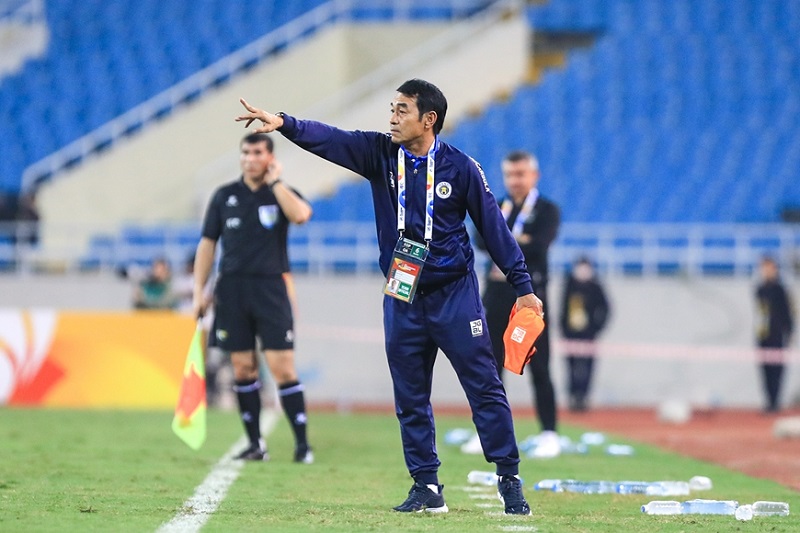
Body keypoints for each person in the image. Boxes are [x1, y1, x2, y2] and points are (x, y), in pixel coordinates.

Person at [235, 79, 542, 515]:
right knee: (410, 396)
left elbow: (495, 230)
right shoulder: (379, 153)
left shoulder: (461, 168)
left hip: (454, 294)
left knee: (485, 388)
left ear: (428, 119)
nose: (392, 118)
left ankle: (509, 479)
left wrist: (523, 288)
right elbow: (331, 139)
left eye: (402, 111)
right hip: (402, 294)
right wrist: (284, 123)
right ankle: (426, 485)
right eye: (392, 109)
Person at [192, 132, 314, 462]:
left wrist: (276, 183)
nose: (250, 159)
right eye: (246, 152)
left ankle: (303, 446)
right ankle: (255, 444)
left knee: (282, 368)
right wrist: (199, 291)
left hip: (271, 288)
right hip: (231, 290)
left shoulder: (281, 192)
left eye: (258, 152)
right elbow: (207, 244)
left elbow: (301, 215)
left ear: (270, 157)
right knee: (243, 368)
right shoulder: (224, 196)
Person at [465, 150, 561, 459]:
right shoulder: (495, 206)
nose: (515, 181)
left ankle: (549, 434)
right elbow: (480, 240)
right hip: (495, 295)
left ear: (534, 176)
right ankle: (490, 432)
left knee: (540, 367)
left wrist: (501, 240)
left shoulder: (546, 210)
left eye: (521, 174)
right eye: (509, 174)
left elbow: (540, 245)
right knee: (489, 367)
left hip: (531, 298)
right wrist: (520, 240)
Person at [559, 256, 610, 412]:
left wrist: (596, 327)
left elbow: (605, 308)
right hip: (571, 334)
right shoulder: (569, 285)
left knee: (588, 366)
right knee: (571, 366)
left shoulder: (595, 287)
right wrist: (564, 329)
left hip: (588, 334)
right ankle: (573, 395)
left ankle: (583, 396)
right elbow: (563, 308)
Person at [755, 256, 794, 413]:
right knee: (765, 370)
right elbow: (760, 314)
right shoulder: (760, 289)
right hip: (763, 335)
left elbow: (787, 312)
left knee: (777, 370)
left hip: (777, 335)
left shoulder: (781, 290)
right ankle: (769, 401)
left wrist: (789, 331)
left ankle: (775, 402)